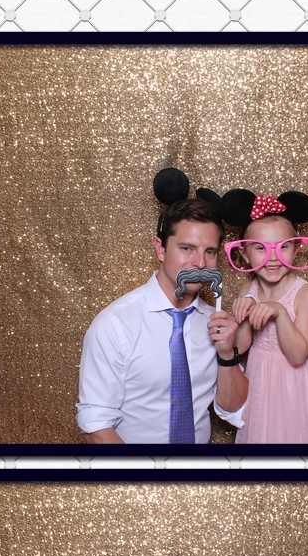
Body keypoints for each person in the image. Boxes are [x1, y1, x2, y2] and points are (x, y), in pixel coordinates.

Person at [76, 171, 247, 446]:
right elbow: (96, 426)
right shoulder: (115, 324)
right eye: (187, 248)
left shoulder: (215, 323)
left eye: (210, 252)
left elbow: (233, 409)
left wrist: (227, 354)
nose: (200, 263)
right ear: (160, 249)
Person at [217, 188, 308, 446]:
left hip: (300, 381)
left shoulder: (306, 294)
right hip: (262, 377)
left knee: (298, 436)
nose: (273, 257)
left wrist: (279, 312)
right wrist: (244, 316)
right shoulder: (248, 288)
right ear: (244, 254)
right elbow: (241, 347)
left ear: (296, 249)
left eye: (283, 246)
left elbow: (298, 355)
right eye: (260, 248)